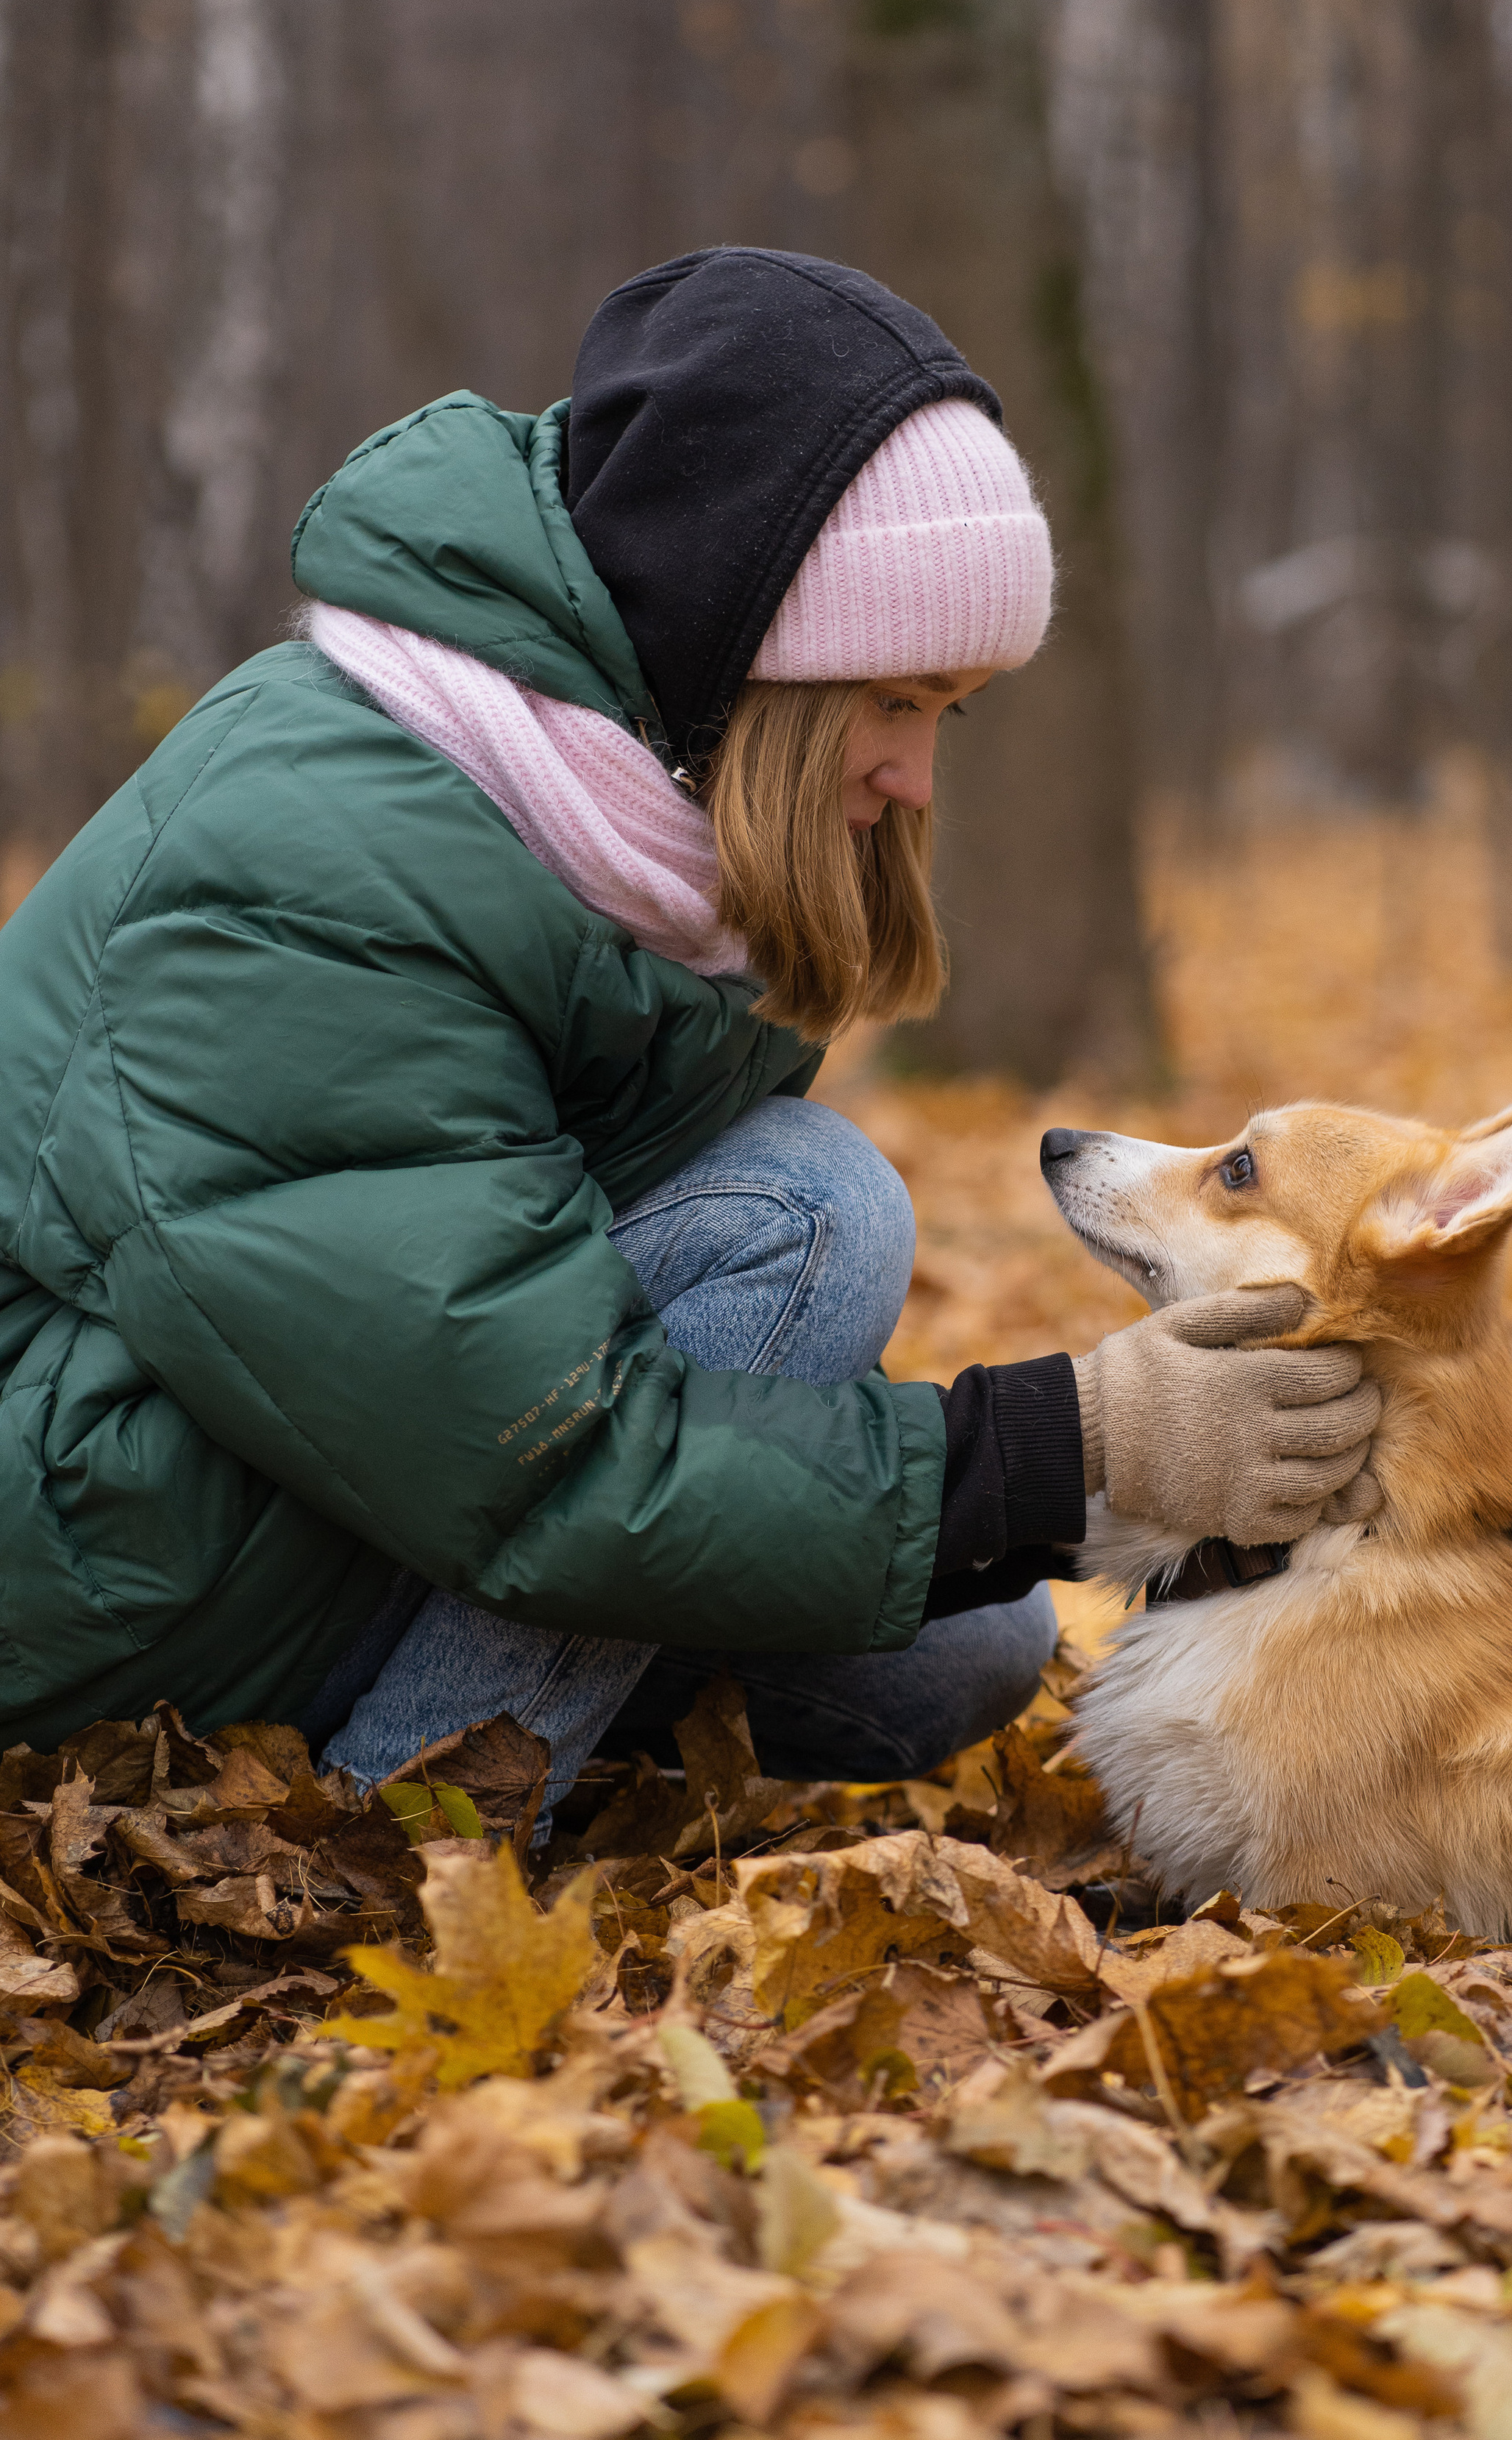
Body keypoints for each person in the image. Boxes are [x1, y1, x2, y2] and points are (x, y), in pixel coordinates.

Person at [0, 249, 1380, 1829]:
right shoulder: (319, 868)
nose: (915, 779)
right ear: (741, 658)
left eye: (954, 714)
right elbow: (533, 1453)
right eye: (895, 704)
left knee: (963, 1650)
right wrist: (1065, 1445)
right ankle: (405, 1850)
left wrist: (1092, 1486)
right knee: (810, 1205)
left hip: (302, 1481)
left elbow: (513, 1316)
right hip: (76, 1559)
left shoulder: (608, 829)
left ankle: (453, 1745)